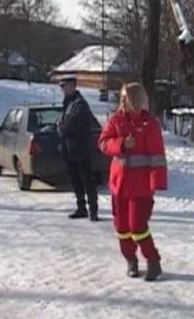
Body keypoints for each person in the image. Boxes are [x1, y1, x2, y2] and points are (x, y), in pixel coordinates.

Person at [98, 82, 167, 281]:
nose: (122, 101)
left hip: (141, 187)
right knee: (122, 228)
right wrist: (121, 144)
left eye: (126, 97)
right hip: (119, 184)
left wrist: (157, 182)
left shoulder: (150, 124)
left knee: (137, 226)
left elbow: (157, 156)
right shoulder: (116, 120)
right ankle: (130, 259)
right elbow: (103, 143)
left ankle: (153, 260)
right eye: (121, 97)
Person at [58, 74, 99, 221]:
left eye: (65, 86)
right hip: (70, 148)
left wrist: (62, 128)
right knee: (76, 180)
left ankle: (93, 209)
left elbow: (72, 126)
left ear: (73, 86)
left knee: (87, 179)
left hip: (81, 147)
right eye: (61, 86)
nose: (62, 89)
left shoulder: (79, 104)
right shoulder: (68, 103)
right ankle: (81, 207)